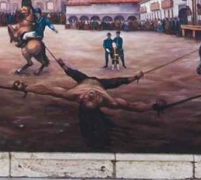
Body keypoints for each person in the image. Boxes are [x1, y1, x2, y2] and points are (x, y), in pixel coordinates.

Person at [15, 57, 164, 150]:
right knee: (117, 82)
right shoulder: (108, 100)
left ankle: (64, 66)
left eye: (88, 99)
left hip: (83, 80)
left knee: (74, 74)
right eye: (94, 100)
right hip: (102, 84)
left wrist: (26, 87)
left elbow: (47, 90)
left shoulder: (74, 94)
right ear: (99, 103)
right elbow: (131, 106)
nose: (91, 96)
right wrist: (153, 106)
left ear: (81, 100)